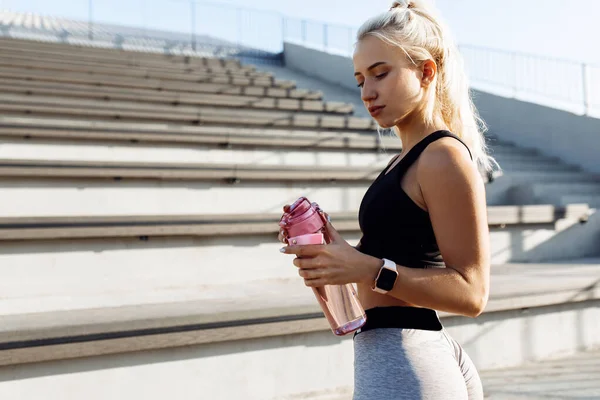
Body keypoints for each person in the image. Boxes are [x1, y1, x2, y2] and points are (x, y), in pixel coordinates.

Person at [278, 0, 495, 398]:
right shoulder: (404, 161)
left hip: (409, 358)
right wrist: (335, 252)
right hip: (394, 354)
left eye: (381, 73)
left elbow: (472, 292)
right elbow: (389, 259)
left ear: (426, 71)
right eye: (360, 79)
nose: (367, 91)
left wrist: (367, 268)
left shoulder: (442, 156)